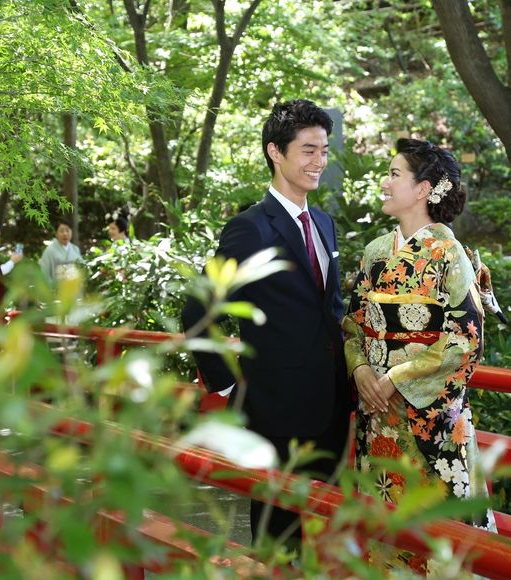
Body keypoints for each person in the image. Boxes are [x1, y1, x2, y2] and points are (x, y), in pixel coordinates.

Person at [182, 99, 351, 544]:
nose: (319, 161)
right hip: (276, 410)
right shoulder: (250, 228)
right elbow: (198, 310)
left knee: (327, 532)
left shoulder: (324, 223)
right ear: (276, 152)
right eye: (308, 150)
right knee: (279, 537)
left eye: (324, 150)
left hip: (332, 404)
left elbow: (331, 309)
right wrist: (229, 388)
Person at [343, 139, 497, 570]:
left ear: (423, 189)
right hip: (378, 415)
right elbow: (354, 323)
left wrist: (395, 377)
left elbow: (465, 339)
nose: (384, 182)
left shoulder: (450, 254)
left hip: (429, 419)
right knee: (382, 522)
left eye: (394, 174)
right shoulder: (376, 252)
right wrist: (360, 370)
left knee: (439, 535)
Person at [39, 219, 82, 284]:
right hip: (56, 288)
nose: (65, 234)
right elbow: (44, 273)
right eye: (61, 231)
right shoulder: (49, 251)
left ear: (71, 232)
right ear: (56, 234)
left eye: (67, 231)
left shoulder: (75, 249)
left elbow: (81, 269)